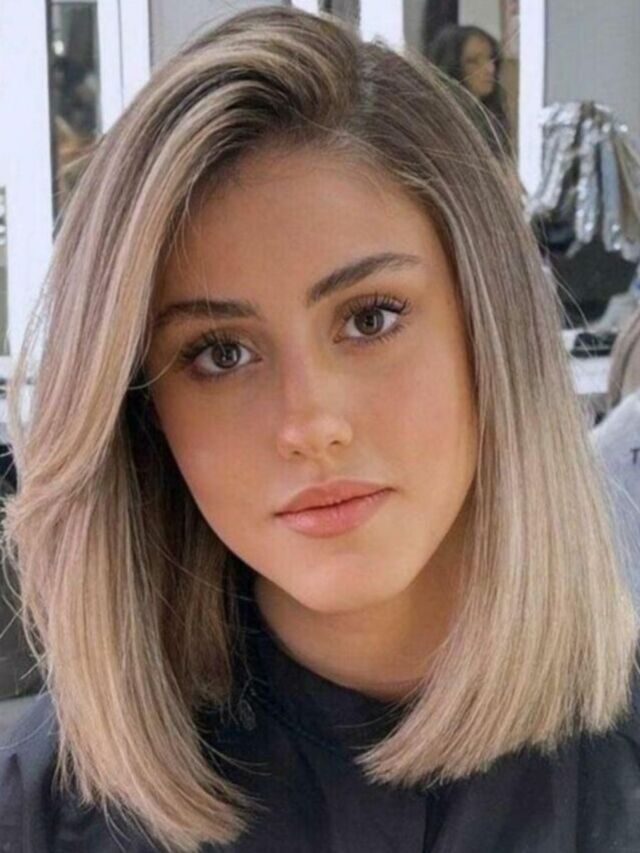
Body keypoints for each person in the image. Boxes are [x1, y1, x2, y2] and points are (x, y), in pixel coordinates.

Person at [0, 5, 639, 851]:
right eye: (221, 352)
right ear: (142, 411)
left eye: (371, 318)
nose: (310, 424)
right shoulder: (40, 813)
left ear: (491, 326)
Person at [426, 23, 512, 160]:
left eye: (491, 58)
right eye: (474, 61)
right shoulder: (438, 123)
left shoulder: (491, 117)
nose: (490, 69)